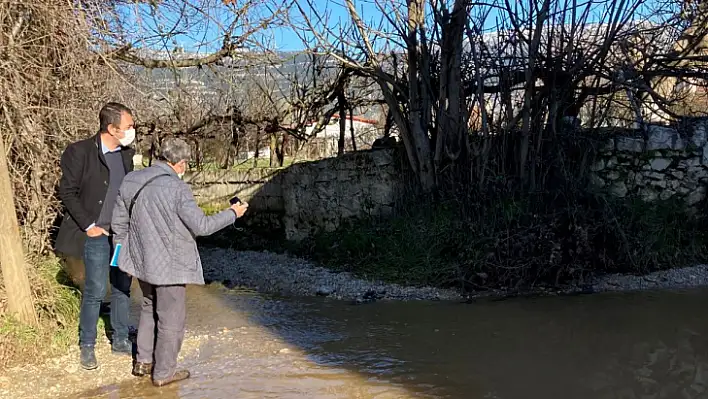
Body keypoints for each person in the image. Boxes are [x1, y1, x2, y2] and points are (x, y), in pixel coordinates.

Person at [111, 137, 248, 387]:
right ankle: (163, 373)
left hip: (140, 260)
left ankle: (143, 361)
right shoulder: (178, 189)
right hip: (171, 266)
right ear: (181, 163)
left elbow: (118, 225)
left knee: (148, 305)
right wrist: (232, 214)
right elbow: (203, 226)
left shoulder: (131, 180)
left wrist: (124, 255)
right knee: (171, 318)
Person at [55, 102, 137, 370]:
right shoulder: (79, 152)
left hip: (120, 233)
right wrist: (89, 225)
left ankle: (121, 339)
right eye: (128, 127)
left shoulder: (126, 154)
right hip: (95, 234)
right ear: (111, 128)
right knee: (96, 290)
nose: (132, 131)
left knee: (123, 285)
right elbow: (67, 191)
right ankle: (87, 346)